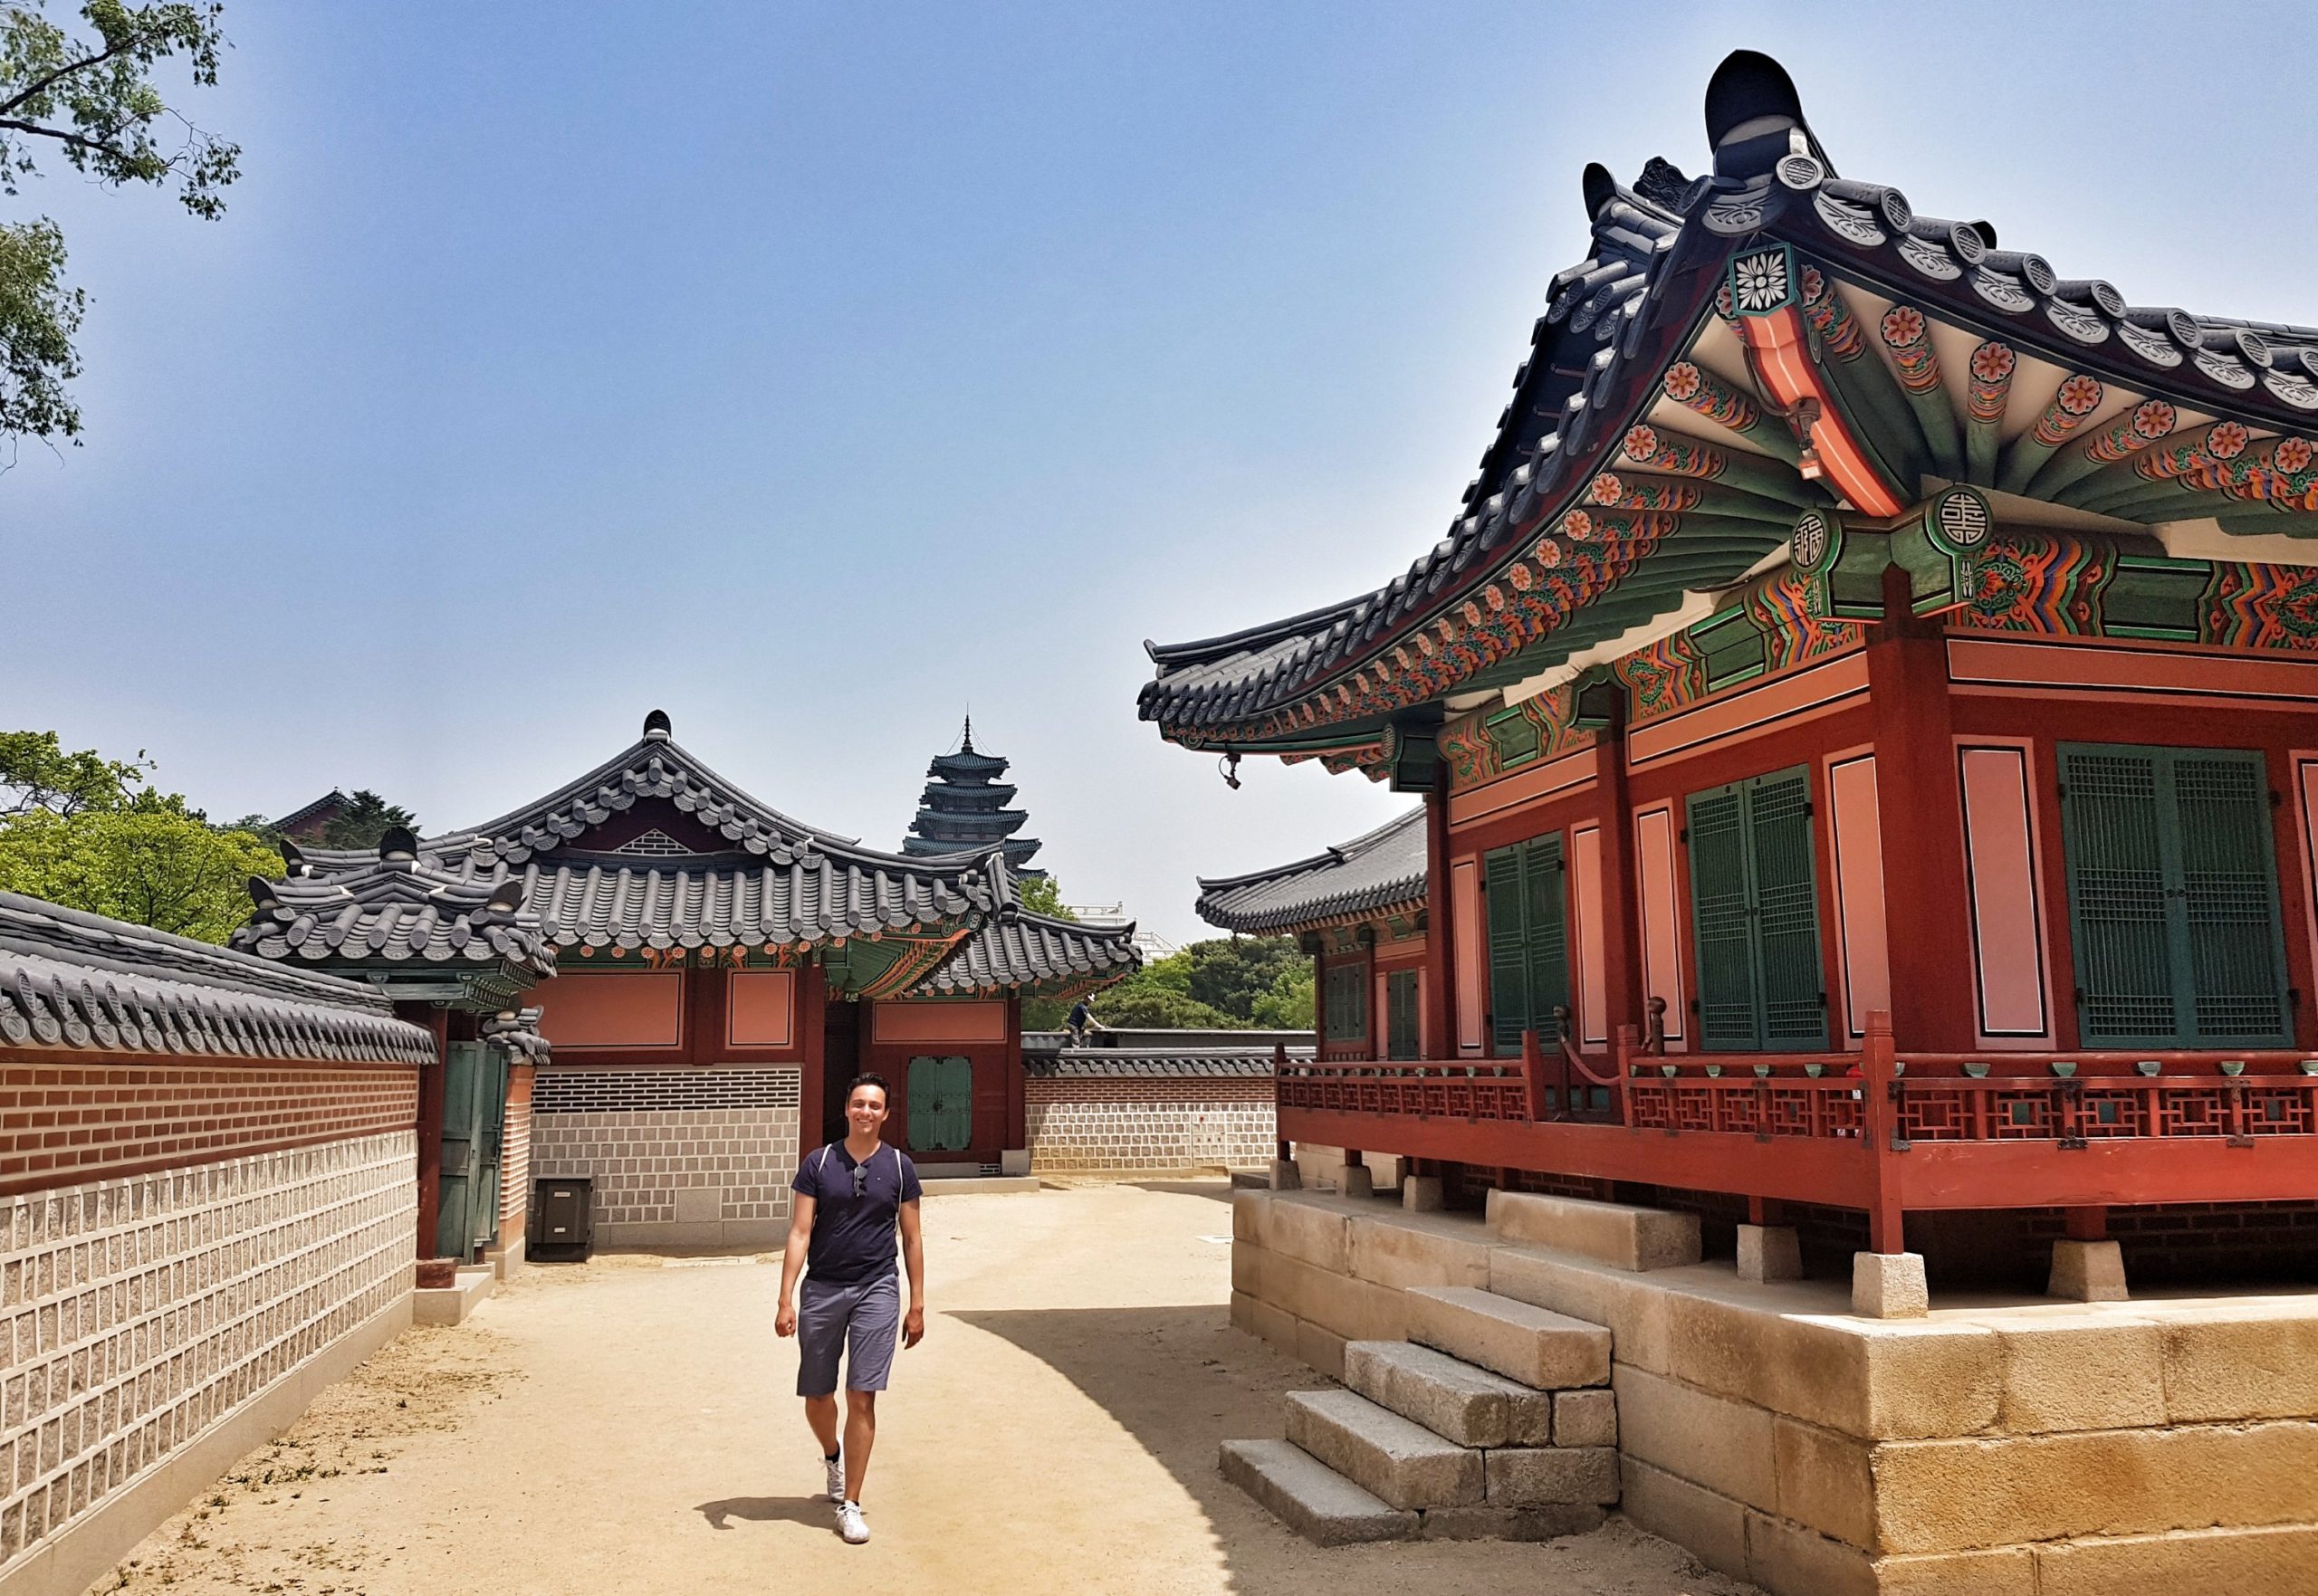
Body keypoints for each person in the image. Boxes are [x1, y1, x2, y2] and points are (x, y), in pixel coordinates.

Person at [775, 1073, 925, 1545]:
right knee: (818, 1396)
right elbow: (800, 1232)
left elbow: (913, 1237)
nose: (866, 1112)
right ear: (847, 1109)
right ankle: (832, 1456)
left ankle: (851, 1503)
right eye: (858, 1103)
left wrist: (917, 1302)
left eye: (874, 1106)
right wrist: (786, 1296)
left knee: (863, 1395)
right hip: (822, 1287)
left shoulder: (900, 1167)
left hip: (877, 1286)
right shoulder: (819, 1162)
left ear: (886, 1114)